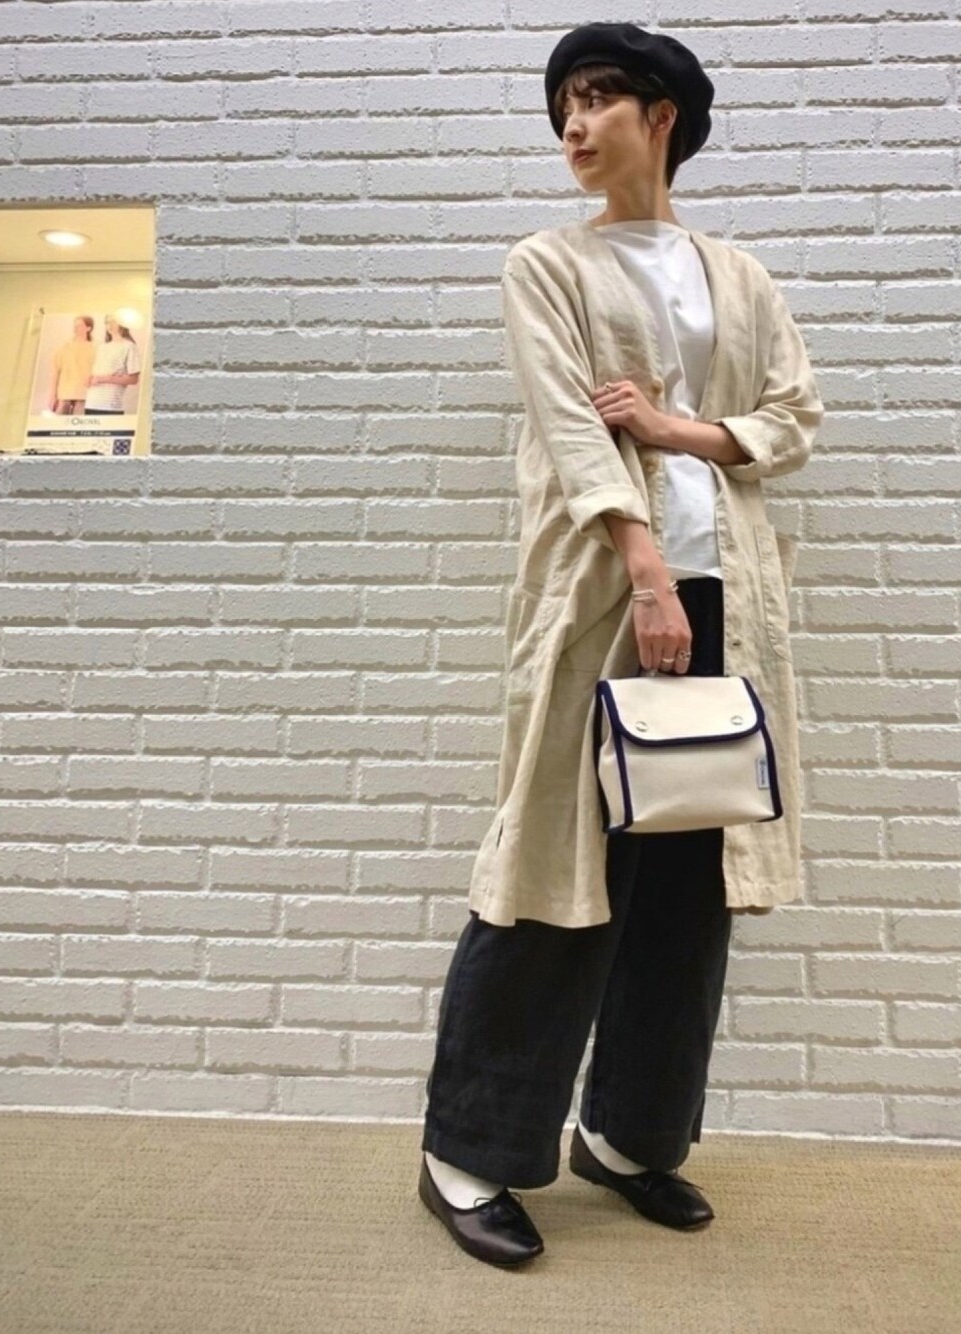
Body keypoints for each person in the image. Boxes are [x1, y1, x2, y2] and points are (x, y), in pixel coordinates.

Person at [418, 21, 824, 1268]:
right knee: (554, 864)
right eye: (562, 106)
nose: (573, 125)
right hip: (608, 596)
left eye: (597, 99)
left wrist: (679, 427)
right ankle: (468, 1151)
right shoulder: (546, 264)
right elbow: (569, 424)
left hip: (728, 603)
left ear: (662, 117)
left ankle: (630, 1136)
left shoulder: (737, 275)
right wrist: (646, 568)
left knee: (689, 887)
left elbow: (792, 415)